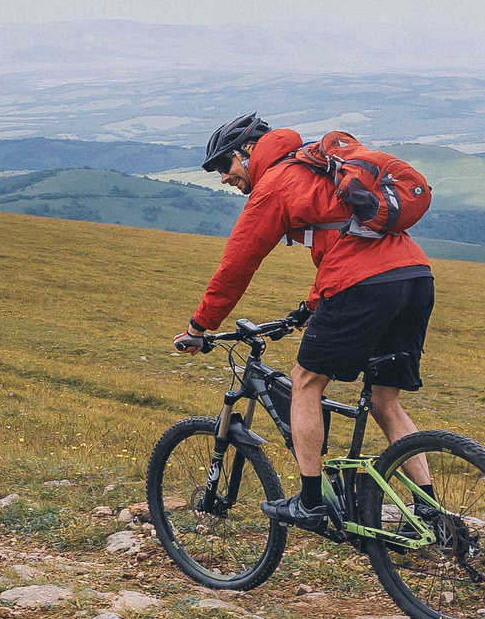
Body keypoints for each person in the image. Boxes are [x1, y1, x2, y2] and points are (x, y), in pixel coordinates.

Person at [175, 113, 436, 530]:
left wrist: (198, 328)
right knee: (385, 401)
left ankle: (311, 502)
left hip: (362, 284)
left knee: (305, 382)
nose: (224, 177)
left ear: (248, 152)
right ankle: (431, 513)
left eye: (225, 164)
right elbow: (340, 241)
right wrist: (312, 306)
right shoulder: (316, 169)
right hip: (415, 278)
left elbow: (236, 266)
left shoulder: (275, 183)